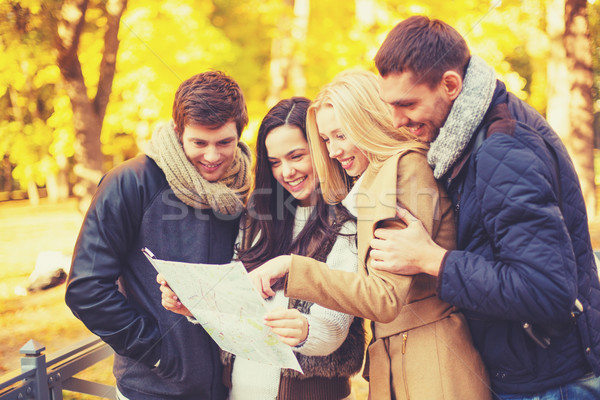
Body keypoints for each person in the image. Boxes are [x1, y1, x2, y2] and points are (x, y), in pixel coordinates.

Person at [368, 15, 600, 399]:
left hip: (551, 383)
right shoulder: (473, 136)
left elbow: (546, 290)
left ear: (450, 85)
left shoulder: (503, 148)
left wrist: (433, 260)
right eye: (389, 105)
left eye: (406, 104)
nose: (397, 120)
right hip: (533, 370)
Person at [250, 70, 491, 399]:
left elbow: (384, 297)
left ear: (367, 121)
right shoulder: (373, 179)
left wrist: (293, 267)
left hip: (432, 359)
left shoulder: (405, 167)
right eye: (326, 139)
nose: (333, 150)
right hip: (395, 356)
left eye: (341, 135)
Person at [159, 97, 365, 400]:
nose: (287, 172)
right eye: (275, 162)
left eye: (296, 156)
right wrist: (195, 307)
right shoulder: (256, 217)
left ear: (322, 149)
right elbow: (235, 302)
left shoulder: (348, 222)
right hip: (239, 390)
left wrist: (306, 330)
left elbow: (336, 326)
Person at [65, 71, 252, 400]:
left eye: (224, 142)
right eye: (199, 143)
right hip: (153, 388)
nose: (212, 156)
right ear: (179, 132)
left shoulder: (247, 187)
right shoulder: (129, 183)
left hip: (231, 386)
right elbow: (87, 289)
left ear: (239, 134)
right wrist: (156, 352)